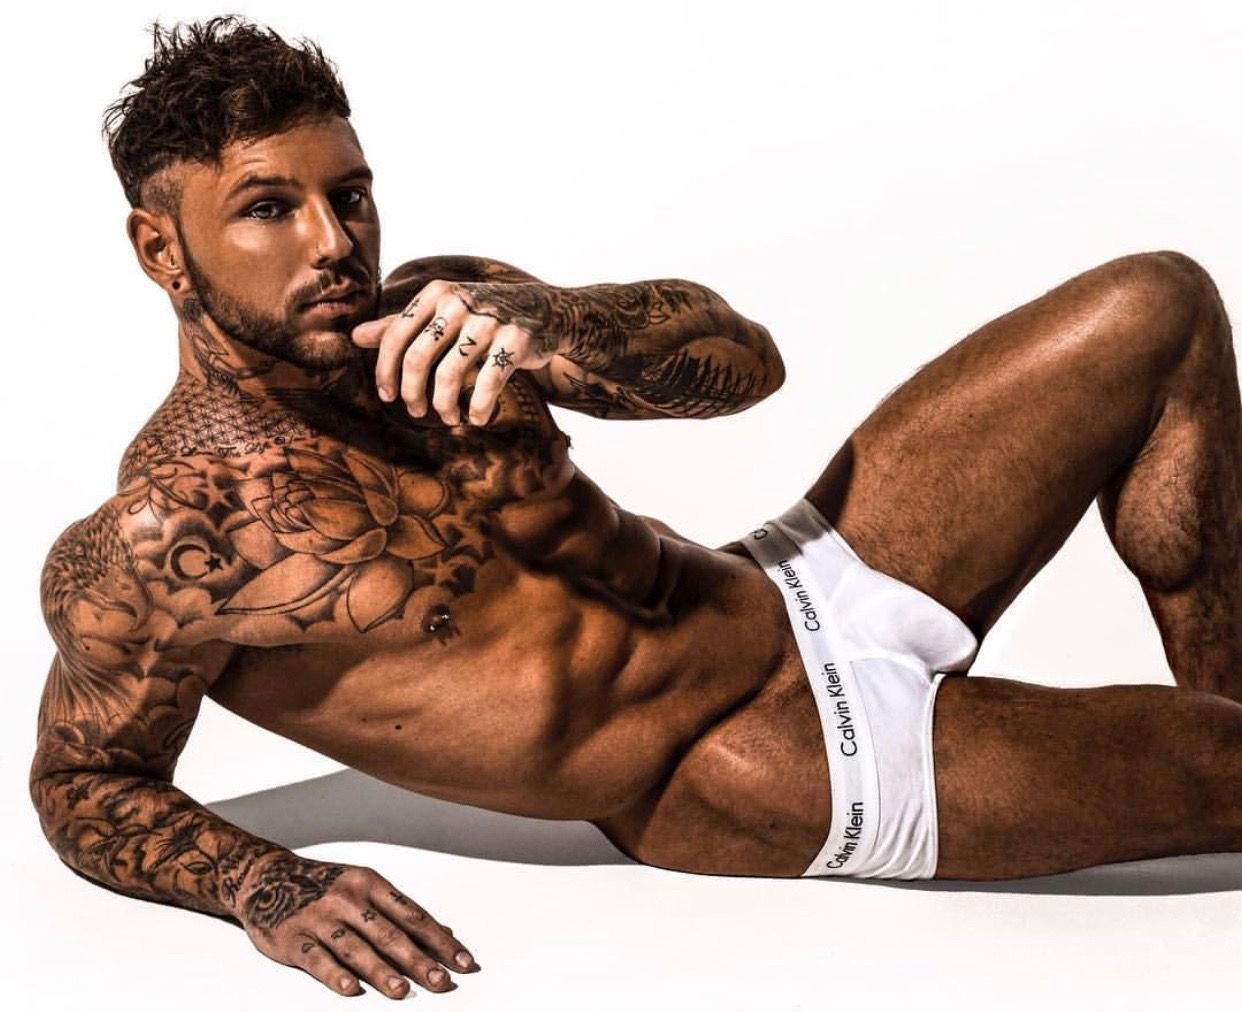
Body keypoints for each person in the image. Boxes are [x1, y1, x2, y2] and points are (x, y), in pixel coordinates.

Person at [30, 14, 1241, 1003]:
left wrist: (554, 323)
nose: (333, 241)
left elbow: (747, 363)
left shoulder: (441, 309)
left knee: (1160, 303)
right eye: (268, 208)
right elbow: (83, 782)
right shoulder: (163, 540)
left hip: (793, 581)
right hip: (755, 760)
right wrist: (265, 885)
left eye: (349, 195)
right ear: (161, 249)